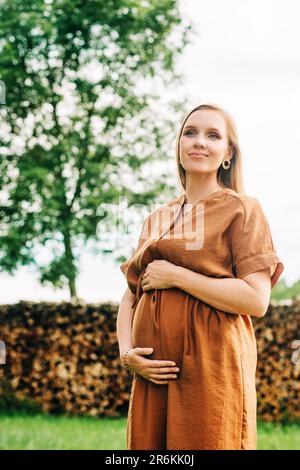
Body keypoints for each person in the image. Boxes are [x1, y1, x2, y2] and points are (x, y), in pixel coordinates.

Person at [116, 103, 285, 450]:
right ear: (179, 146)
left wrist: (177, 276)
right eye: (190, 133)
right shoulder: (157, 217)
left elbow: (256, 299)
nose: (199, 142)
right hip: (152, 372)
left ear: (228, 153)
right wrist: (127, 354)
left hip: (210, 368)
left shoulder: (243, 208)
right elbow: (132, 295)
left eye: (213, 135)